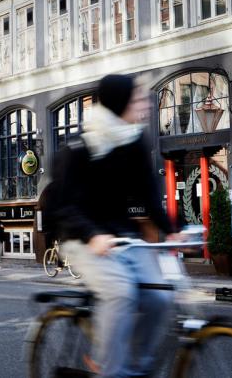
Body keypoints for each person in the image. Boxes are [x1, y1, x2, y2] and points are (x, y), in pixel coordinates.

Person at [45, 74, 179, 378]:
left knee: (160, 295)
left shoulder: (135, 139)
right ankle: (110, 370)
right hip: (81, 237)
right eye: (138, 99)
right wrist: (92, 235)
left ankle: (136, 367)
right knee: (121, 291)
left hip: (123, 236)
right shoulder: (81, 147)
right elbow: (64, 203)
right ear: (120, 103)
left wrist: (172, 228)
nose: (145, 105)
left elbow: (148, 193)